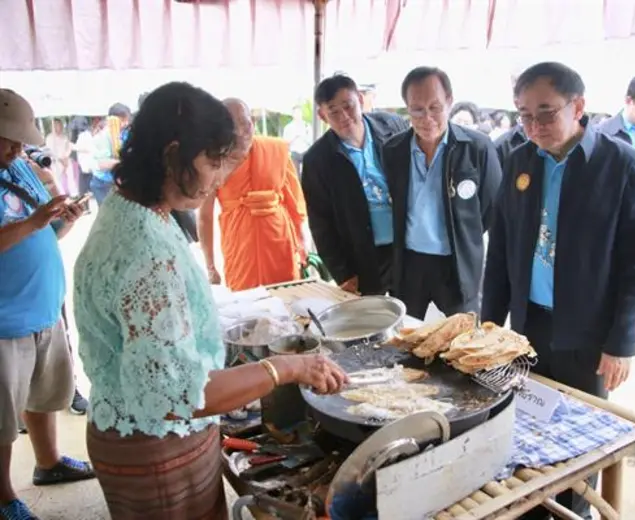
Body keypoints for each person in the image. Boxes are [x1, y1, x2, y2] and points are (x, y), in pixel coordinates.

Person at [73, 82, 348, 520]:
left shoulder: (133, 210)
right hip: (156, 445)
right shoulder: (144, 249)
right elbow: (177, 392)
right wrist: (286, 367)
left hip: (138, 432)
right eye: (214, 161)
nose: (221, 177)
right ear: (172, 152)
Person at [481, 62, 635, 519]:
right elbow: (499, 251)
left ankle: (573, 510)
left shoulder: (623, 164)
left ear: (579, 106)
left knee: (579, 440)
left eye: (545, 113)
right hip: (527, 326)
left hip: (588, 332)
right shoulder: (517, 160)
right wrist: (489, 328)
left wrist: (620, 344)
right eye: (523, 115)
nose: (533, 126)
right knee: (525, 424)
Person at [0, 89, 95, 520]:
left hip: (43, 306)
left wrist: (59, 224)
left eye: (21, 140)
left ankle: (49, 462)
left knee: (43, 394)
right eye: (9, 140)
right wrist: (35, 222)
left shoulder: (20, 167)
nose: (18, 148)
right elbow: (21, 228)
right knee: (2, 417)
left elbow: (37, 233)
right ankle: (3, 497)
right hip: (6, 319)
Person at [383, 66, 502, 319]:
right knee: (406, 337)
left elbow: (491, 208)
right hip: (409, 264)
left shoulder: (477, 148)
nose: (427, 118)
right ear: (407, 108)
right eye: (417, 109)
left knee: (463, 342)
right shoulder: (393, 150)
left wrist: (462, 230)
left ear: (449, 102)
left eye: (435, 107)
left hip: (456, 264)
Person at [302, 74, 408, 296]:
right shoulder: (317, 159)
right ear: (322, 115)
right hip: (362, 256)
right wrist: (342, 273)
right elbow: (321, 222)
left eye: (348, 106)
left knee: (414, 319)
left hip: (406, 248)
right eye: (333, 112)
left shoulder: (393, 126)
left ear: (360, 100)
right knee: (373, 320)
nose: (344, 117)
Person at [199, 98, 307, 290]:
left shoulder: (276, 149)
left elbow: (293, 201)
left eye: (245, 122)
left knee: (288, 295)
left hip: (278, 239)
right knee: (247, 303)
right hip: (240, 243)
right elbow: (205, 217)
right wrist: (210, 266)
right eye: (233, 125)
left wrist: (301, 243)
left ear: (253, 122)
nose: (241, 131)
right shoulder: (215, 160)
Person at [91, 103, 132, 205]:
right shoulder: (102, 137)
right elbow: (102, 164)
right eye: (122, 120)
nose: (126, 123)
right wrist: (125, 162)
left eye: (127, 120)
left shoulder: (124, 133)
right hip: (103, 184)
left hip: (118, 181)